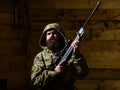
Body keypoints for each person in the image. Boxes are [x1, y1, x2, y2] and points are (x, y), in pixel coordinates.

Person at [31, 23, 89, 90]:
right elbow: (35, 80)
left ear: (60, 36)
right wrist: (54, 72)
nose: (51, 35)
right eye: (48, 34)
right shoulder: (40, 57)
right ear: (45, 38)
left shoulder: (71, 54)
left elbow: (83, 74)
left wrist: (76, 53)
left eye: (54, 33)